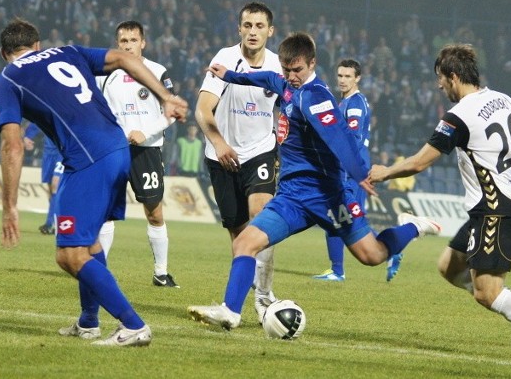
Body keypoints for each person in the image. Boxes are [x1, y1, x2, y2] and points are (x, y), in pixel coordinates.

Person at [187, 32, 440, 330]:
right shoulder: (286, 84)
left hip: (330, 197)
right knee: (244, 242)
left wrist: (360, 174)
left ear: (313, 63)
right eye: (287, 70)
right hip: (293, 197)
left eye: (298, 71)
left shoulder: (316, 96)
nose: (292, 77)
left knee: (372, 256)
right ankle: (230, 311)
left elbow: (340, 138)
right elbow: (267, 79)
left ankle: (413, 226)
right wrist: (229, 75)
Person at [368, 44, 511, 366]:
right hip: (492, 206)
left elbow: (420, 163)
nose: (440, 86)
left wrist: (385, 173)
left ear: (453, 77)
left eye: (441, 79)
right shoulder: (501, 99)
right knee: (449, 267)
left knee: (487, 293)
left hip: (495, 207)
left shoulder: (458, 116)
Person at [0, 18, 187, 347]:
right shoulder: (66, 51)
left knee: (69, 255)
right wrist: (166, 96)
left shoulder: (7, 79)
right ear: (37, 45)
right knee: (90, 243)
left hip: (89, 160)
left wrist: (9, 205)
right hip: (115, 148)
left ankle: (134, 326)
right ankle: (88, 322)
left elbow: (11, 145)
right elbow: (125, 59)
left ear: (2, 53)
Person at [194, 2, 282, 322]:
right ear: (239, 29)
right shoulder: (225, 58)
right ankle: (236, 306)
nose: (253, 31)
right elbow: (203, 109)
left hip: (260, 150)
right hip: (221, 155)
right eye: (248, 25)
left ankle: (262, 296)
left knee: (263, 218)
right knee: (240, 236)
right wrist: (219, 143)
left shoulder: (278, 65)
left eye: (260, 26)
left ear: (270, 31)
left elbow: (292, 104)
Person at [97, 20, 178, 287]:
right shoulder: (105, 74)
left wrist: (146, 132)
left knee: (154, 213)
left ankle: (161, 273)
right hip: (115, 151)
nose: (128, 45)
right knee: (107, 211)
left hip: (147, 152)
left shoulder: (156, 71)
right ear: (117, 44)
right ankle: (100, 271)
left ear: (143, 43)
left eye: (133, 40)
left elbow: (172, 112)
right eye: (123, 41)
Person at [311, 58, 404, 282]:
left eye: (348, 77)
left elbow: (352, 138)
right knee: (340, 217)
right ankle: (338, 270)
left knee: (345, 218)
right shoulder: (343, 103)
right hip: (345, 169)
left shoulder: (355, 104)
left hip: (350, 171)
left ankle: (390, 249)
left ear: (357, 78)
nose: (342, 80)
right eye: (340, 76)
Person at [22, 122, 63, 235]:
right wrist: (28, 136)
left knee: (55, 185)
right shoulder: (49, 105)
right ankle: (56, 220)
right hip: (49, 152)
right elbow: (37, 119)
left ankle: (50, 224)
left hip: (63, 151)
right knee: (50, 190)